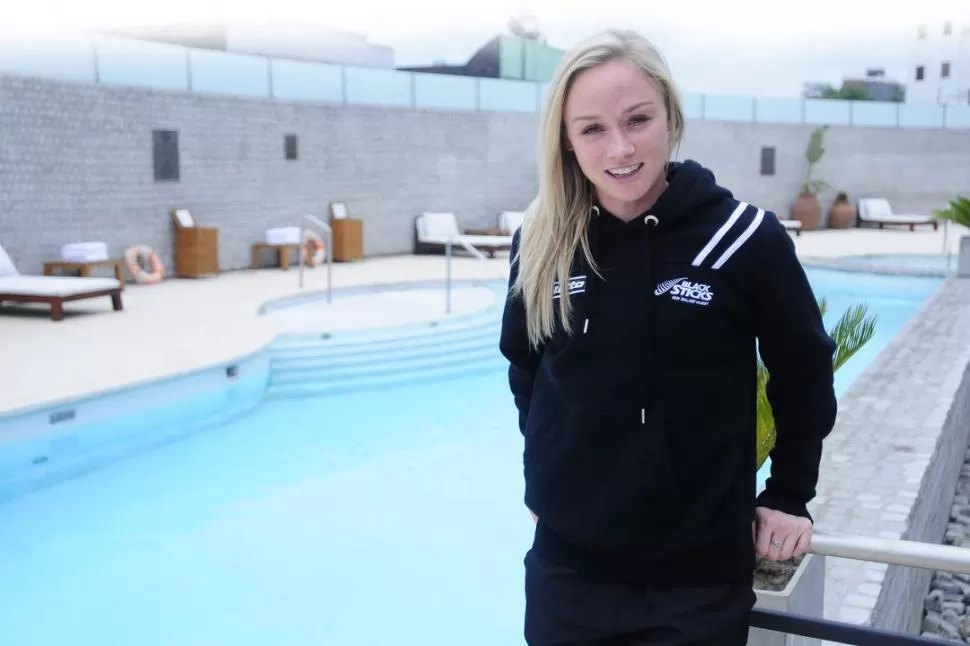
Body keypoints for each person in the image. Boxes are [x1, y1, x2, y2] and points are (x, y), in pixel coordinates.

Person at [498, 28, 838, 646]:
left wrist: (790, 493)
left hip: (695, 586)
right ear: (567, 141)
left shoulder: (743, 240)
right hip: (567, 575)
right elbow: (527, 369)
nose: (620, 147)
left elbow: (805, 370)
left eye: (638, 119)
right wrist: (542, 474)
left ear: (671, 117)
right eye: (592, 128)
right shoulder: (542, 242)